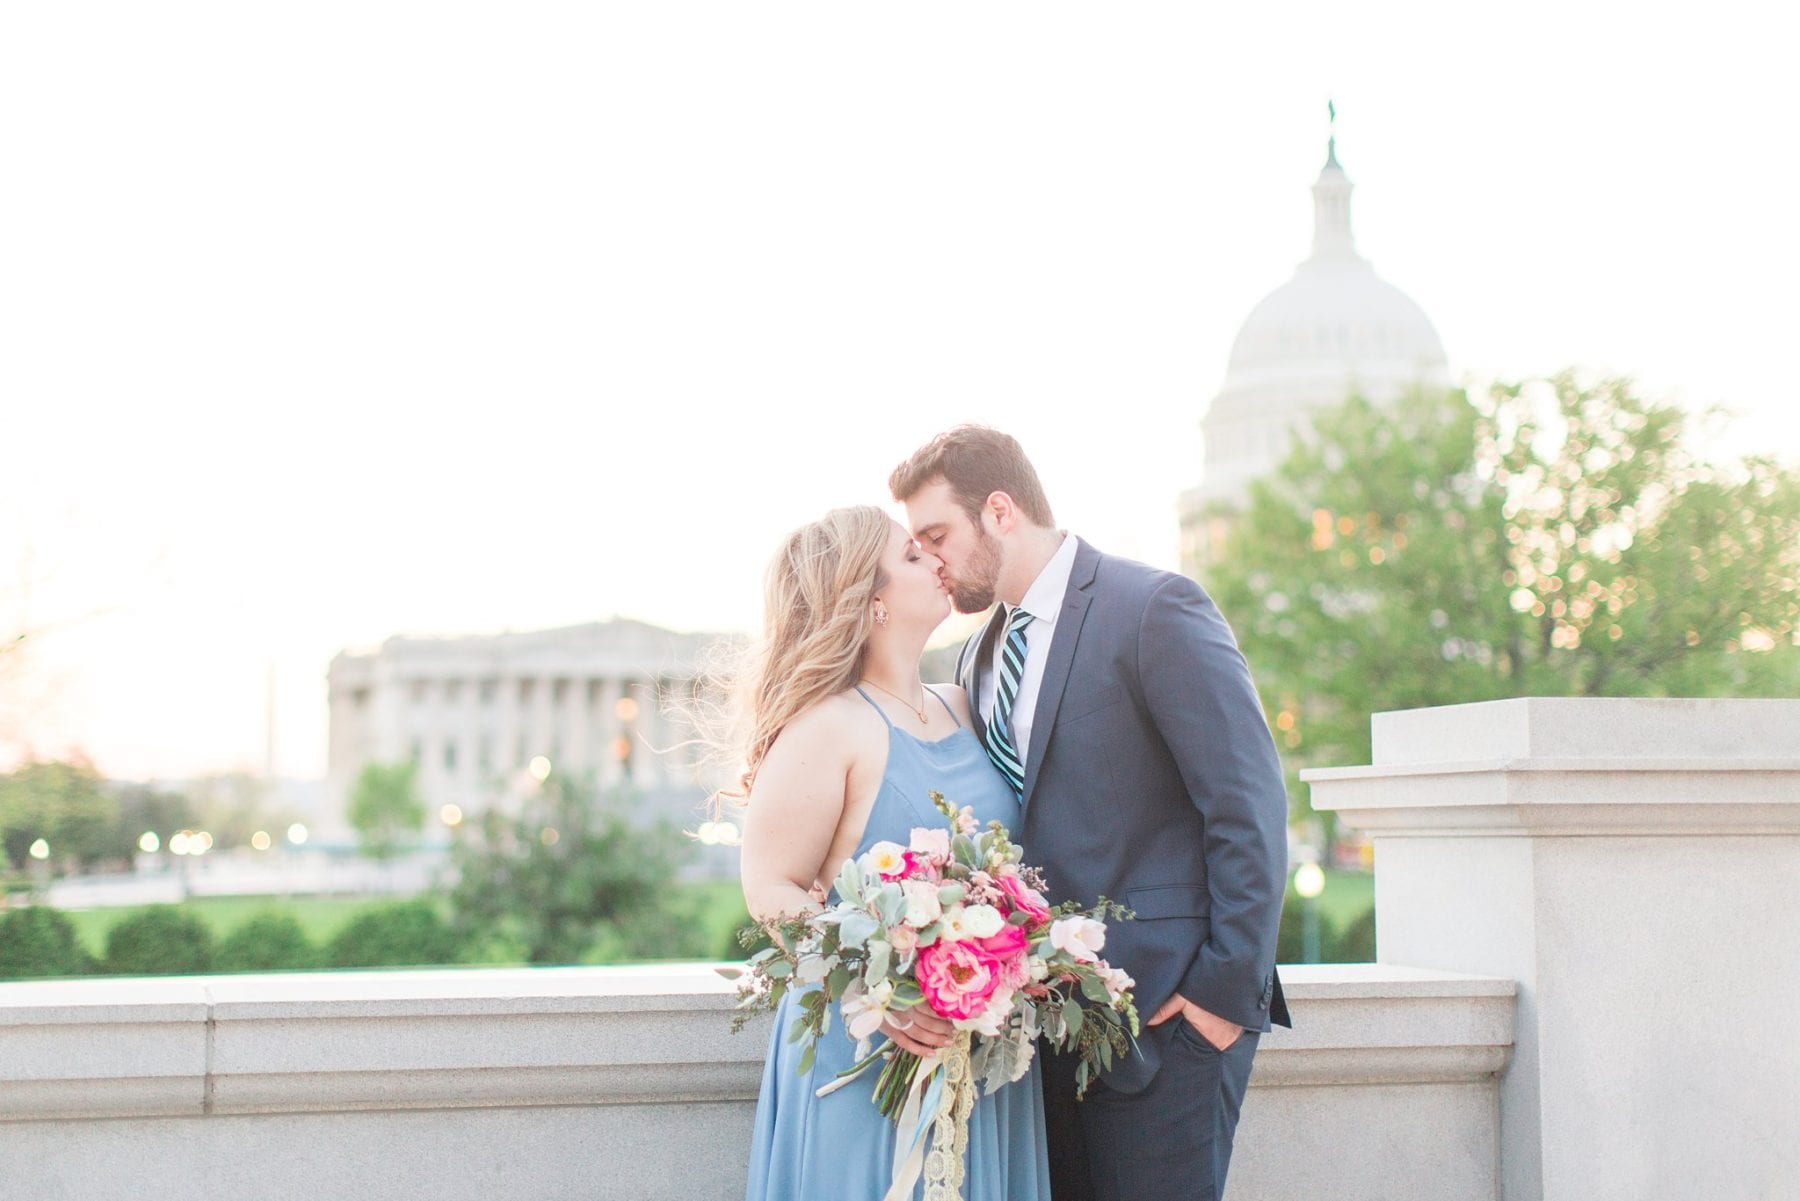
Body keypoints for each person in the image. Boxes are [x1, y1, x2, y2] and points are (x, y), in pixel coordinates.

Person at [891, 426, 1292, 1201]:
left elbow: (1246, 804)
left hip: (1168, 1028)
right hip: (1039, 1042)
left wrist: (1218, 1001)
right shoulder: (979, 656)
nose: (930, 559)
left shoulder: (1154, 608)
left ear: (999, 511)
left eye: (936, 534)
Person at [735, 505, 1051, 1201]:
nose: (937, 561)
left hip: (979, 1047)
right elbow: (769, 886)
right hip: (872, 1053)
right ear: (871, 599)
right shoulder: (829, 725)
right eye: (912, 556)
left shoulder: (962, 705)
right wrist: (883, 990)